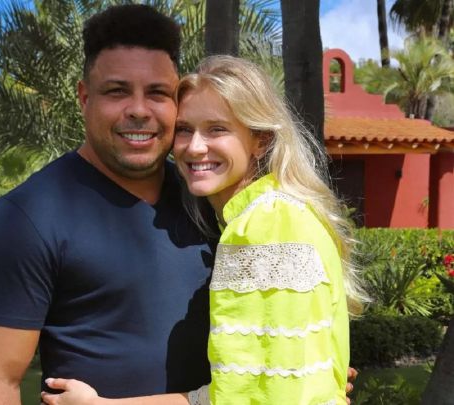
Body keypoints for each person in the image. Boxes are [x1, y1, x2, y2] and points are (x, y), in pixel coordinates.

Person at [40, 56, 366, 404]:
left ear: (260, 140)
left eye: (217, 129)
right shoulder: (272, 214)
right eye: (184, 129)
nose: (195, 147)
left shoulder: (266, 227)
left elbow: (249, 400)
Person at [0, 5, 214, 404]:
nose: (139, 109)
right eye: (117, 91)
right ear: (84, 97)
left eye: (157, 93)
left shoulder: (209, 200)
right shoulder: (29, 217)